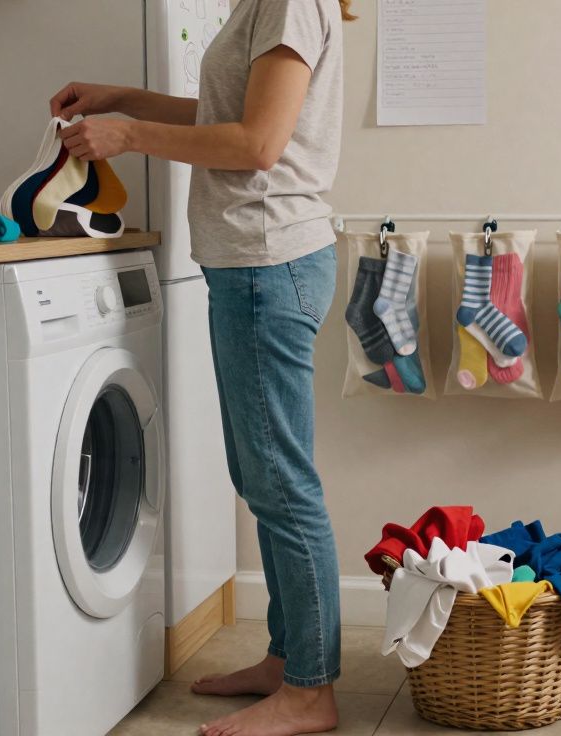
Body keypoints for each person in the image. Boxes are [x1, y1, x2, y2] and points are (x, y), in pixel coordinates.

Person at [49, 1, 353, 734]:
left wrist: (128, 134)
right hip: (256, 264)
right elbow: (227, 114)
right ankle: (289, 662)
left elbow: (256, 144)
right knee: (264, 480)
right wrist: (126, 99)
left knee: (281, 483)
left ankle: (310, 692)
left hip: (266, 262)